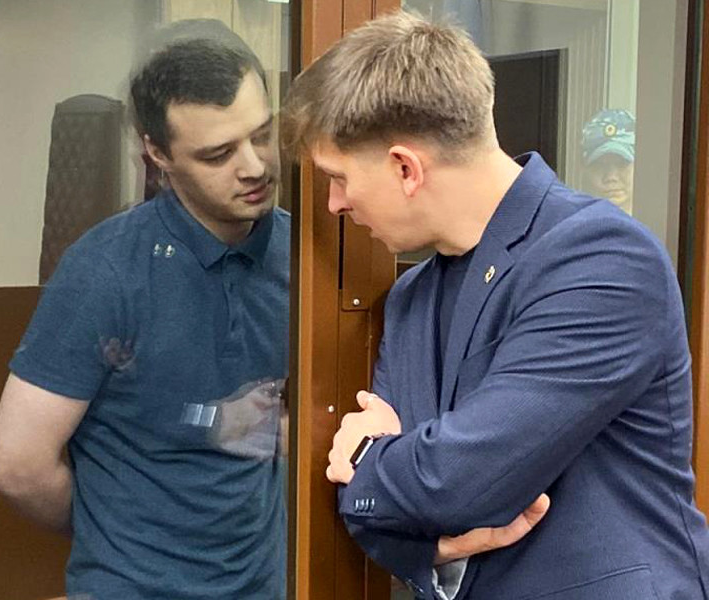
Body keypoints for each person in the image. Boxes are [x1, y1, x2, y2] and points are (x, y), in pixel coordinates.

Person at [282, 10, 709, 600]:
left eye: (338, 177)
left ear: (406, 167)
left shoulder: (603, 258)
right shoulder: (411, 297)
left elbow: (459, 481)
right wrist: (434, 544)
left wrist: (367, 453)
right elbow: (369, 516)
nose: (334, 203)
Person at [0, 20, 290, 600]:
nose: (253, 166)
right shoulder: (105, 271)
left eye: (263, 135)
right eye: (219, 153)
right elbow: (15, 464)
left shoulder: (305, 260)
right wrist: (115, 535)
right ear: (158, 154)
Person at [581, 108, 635, 214]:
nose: (611, 177)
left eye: (622, 164)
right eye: (599, 166)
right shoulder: (573, 222)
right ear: (584, 170)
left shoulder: (660, 217)